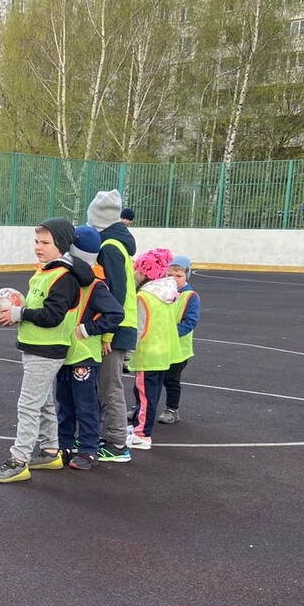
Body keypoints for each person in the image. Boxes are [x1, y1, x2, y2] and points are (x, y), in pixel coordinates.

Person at [0, 218, 96, 484]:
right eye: (37, 241)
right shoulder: (45, 271)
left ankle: (19, 460)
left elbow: (52, 316)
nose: (38, 247)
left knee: (28, 406)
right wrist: (19, 316)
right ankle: (50, 451)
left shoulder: (63, 278)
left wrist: (17, 312)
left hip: (47, 350)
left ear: (60, 244)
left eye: (45, 242)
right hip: (36, 347)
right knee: (44, 403)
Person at [52, 226, 125, 471]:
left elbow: (116, 313)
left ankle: (89, 448)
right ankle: (64, 443)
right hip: (63, 352)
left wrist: (87, 329)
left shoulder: (95, 286)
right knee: (64, 403)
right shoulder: (66, 280)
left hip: (83, 355)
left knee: (85, 404)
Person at [87, 189, 138, 464]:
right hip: (119, 324)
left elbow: (115, 294)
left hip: (116, 327)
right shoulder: (116, 244)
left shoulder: (109, 248)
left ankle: (117, 444)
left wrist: (107, 332)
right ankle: (108, 436)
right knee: (105, 385)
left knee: (109, 386)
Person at [127, 249, 178, 450]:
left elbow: (138, 329)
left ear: (145, 272)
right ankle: (140, 427)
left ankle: (142, 434)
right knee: (150, 393)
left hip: (147, 353)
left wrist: (128, 355)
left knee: (145, 394)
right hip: (162, 351)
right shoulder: (168, 294)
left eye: (138, 270)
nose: (135, 274)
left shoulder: (144, 297)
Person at [159, 254, 201, 425]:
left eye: (178, 275)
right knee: (148, 376)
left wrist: (169, 332)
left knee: (171, 380)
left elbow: (190, 322)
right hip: (158, 346)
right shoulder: (161, 293)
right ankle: (141, 406)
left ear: (186, 275)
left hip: (178, 349)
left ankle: (172, 409)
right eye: (170, 275)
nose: (173, 279)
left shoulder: (191, 297)